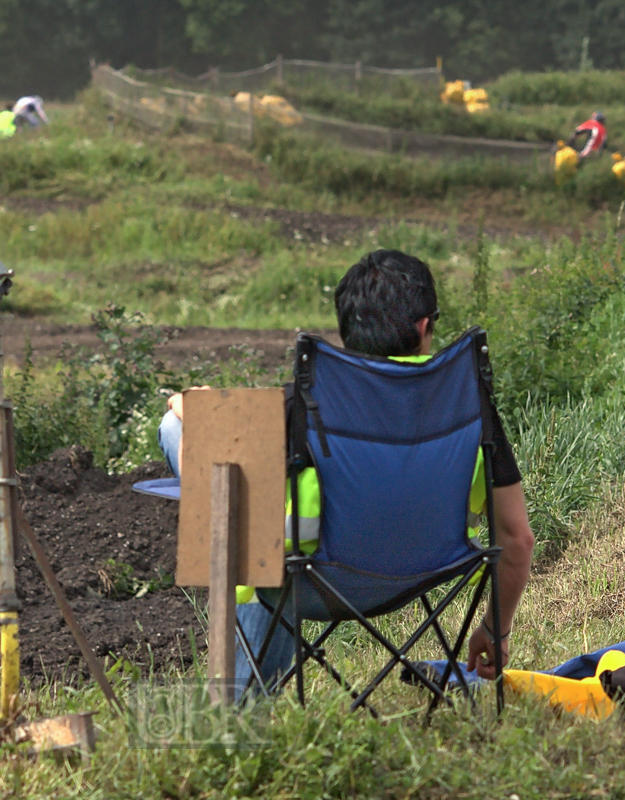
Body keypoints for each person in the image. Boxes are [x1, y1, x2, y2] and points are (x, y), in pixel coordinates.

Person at [158, 249, 536, 697]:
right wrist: (495, 630)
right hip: (427, 571)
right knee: (264, 536)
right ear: (423, 327)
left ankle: (239, 704)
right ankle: (241, 696)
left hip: (316, 583)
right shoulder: (467, 404)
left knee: (234, 504)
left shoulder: (310, 405)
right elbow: (517, 539)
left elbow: (191, 419)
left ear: (347, 331)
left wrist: (186, 400)